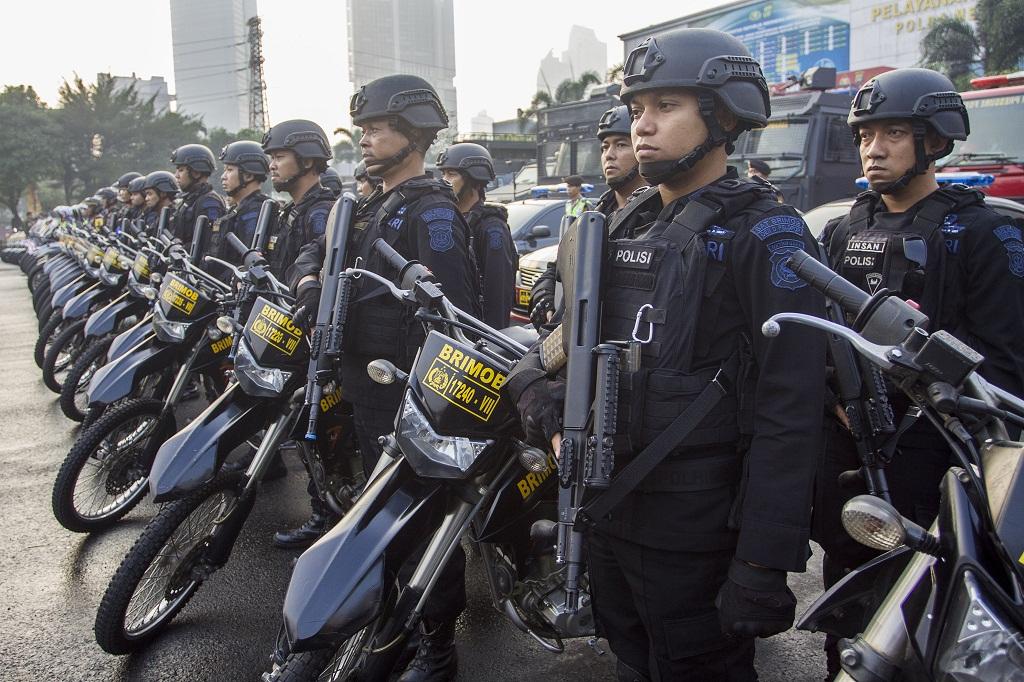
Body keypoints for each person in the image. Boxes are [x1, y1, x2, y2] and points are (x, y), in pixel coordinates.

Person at [506, 27, 826, 681]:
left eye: (666, 107)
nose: (642, 126)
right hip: (607, 509)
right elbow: (558, 350)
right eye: (636, 109)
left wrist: (763, 564)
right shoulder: (621, 224)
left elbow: (791, 413)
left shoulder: (763, 234)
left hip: (697, 533)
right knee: (632, 664)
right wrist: (537, 396)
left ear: (723, 114)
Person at [815, 66, 1024, 677]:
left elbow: (1005, 370)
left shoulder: (985, 232)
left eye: (893, 134)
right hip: (854, 453)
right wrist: (839, 398)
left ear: (934, 141)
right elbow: (819, 339)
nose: (873, 149)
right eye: (864, 135)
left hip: (940, 462)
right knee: (850, 615)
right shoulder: (843, 230)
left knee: (933, 621)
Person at [287, 74, 478, 682]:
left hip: (405, 396)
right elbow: (321, 251)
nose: (364, 139)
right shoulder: (367, 203)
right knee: (375, 518)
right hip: (363, 388)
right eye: (363, 130)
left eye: (376, 129)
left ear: (413, 133)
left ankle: (437, 648)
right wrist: (310, 279)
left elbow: (453, 317)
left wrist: (425, 404)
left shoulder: (433, 210)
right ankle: (391, 622)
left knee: (419, 523)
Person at [529, 104, 647, 328]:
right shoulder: (594, 214)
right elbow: (558, 268)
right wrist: (544, 296)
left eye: (621, 145)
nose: (609, 155)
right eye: (604, 147)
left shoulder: (658, 214)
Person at [436, 141, 518, 329]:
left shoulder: (492, 228)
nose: (444, 180)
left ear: (474, 179)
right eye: (443, 173)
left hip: (479, 337)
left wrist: (492, 344)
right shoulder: (451, 220)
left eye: (452, 174)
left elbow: (498, 294)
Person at [261, 119, 337, 281]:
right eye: (272, 158)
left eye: (279, 157)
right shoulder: (291, 211)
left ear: (307, 161)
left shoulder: (321, 213)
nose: (272, 166)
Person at [213, 139, 276, 270]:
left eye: (229, 170)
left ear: (247, 175)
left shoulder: (256, 212)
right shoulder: (238, 209)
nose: (223, 177)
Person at [169, 143, 226, 247]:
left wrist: (182, 249)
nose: (176, 175)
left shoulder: (209, 202)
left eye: (181, 170)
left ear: (196, 173)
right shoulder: (190, 200)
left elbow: (209, 244)